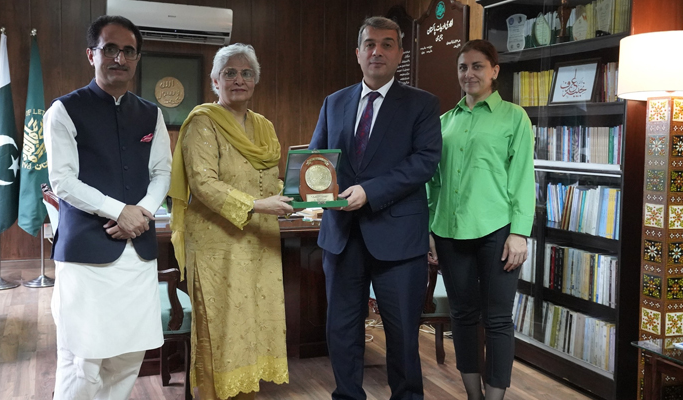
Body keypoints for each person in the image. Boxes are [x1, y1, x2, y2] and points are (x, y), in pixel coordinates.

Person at [309, 16, 442, 400]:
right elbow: (320, 159)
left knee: (401, 333)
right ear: (357, 53)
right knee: (343, 328)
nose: (377, 51)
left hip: (398, 238)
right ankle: (347, 395)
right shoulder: (334, 102)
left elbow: (424, 162)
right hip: (342, 236)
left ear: (400, 54)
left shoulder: (422, 104)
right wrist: (307, 187)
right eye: (369, 44)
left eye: (387, 44)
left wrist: (369, 191)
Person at [44, 15, 172, 400]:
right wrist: (119, 211)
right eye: (110, 49)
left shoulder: (151, 113)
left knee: (128, 356)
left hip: (138, 252)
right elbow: (63, 180)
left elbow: (162, 172)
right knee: (83, 360)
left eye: (128, 51)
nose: (119, 57)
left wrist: (141, 213)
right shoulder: (63, 111)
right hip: (87, 252)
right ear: (91, 54)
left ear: (137, 58)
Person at [169, 43, 291, 400]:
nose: (239, 79)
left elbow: (272, 180)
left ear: (256, 80)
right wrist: (257, 204)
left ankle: (246, 393)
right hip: (217, 245)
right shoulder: (203, 122)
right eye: (230, 73)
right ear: (215, 81)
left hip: (260, 241)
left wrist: (298, 195)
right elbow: (203, 183)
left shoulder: (264, 127)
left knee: (253, 324)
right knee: (222, 329)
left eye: (246, 73)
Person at [427, 39, 535, 400]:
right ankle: (473, 394)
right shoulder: (444, 122)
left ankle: (495, 398)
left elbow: (522, 177)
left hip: (498, 231)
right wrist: (428, 228)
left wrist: (519, 233)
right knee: (462, 315)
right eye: (462, 67)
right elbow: (433, 182)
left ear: (494, 71)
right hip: (448, 230)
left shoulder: (514, 117)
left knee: (498, 319)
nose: (468, 74)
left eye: (476, 66)